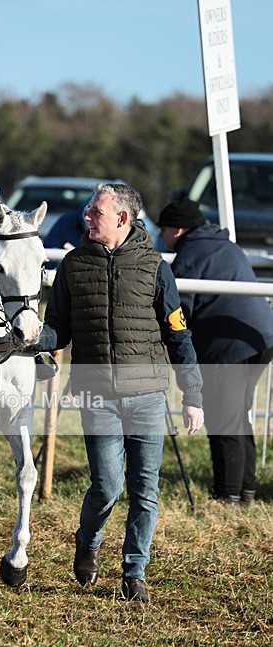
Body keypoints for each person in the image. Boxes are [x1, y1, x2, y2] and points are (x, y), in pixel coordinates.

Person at [34, 183, 204, 603]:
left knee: (145, 490)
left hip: (147, 394)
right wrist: (28, 340)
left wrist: (193, 393)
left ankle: (134, 573)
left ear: (122, 219)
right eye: (88, 211)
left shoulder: (154, 267)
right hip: (97, 394)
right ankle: (87, 541)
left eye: (95, 212)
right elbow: (57, 326)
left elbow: (177, 334)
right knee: (107, 486)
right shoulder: (73, 266)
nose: (86, 217)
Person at [157, 196, 273, 506]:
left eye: (163, 229)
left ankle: (228, 497)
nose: (161, 236)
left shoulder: (191, 253)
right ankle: (246, 493)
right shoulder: (222, 244)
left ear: (178, 230)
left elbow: (179, 309)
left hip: (229, 345)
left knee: (224, 420)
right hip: (259, 338)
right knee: (238, 418)